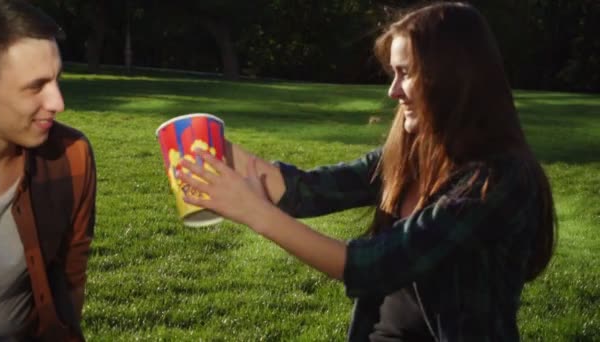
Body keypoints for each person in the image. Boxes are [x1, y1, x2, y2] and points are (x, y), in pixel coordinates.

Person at [178, 2, 556, 341]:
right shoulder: (411, 155)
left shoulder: (501, 180)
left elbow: (375, 265)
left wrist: (255, 213)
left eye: (405, 73)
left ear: (453, 76)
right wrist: (223, 153)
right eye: (393, 73)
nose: (393, 91)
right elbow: (311, 189)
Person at [0, 0, 96, 340]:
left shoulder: (71, 156)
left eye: (57, 80)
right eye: (36, 86)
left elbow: (70, 282)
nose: (58, 103)